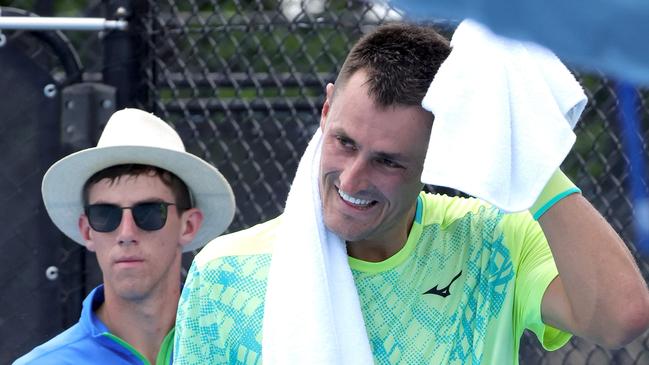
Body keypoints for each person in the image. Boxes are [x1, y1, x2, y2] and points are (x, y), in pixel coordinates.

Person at [173, 23, 649, 364]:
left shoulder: (494, 241)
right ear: (325, 109)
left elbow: (621, 317)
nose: (353, 180)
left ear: (437, 152)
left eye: (388, 161)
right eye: (345, 143)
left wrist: (523, 143)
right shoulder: (223, 274)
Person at [14, 108, 235, 365]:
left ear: (188, 226)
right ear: (87, 231)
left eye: (150, 212)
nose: (126, 233)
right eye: (105, 215)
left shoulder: (241, 352)